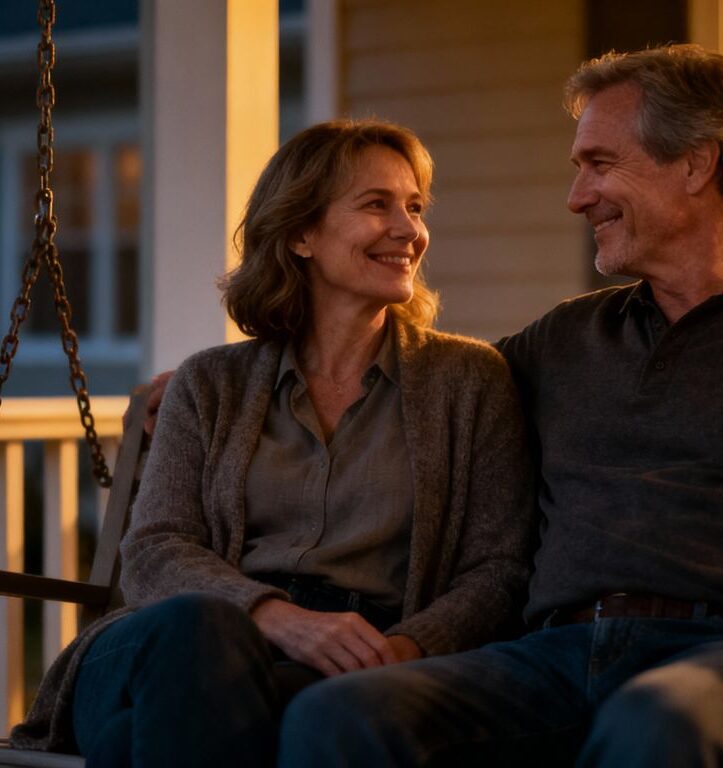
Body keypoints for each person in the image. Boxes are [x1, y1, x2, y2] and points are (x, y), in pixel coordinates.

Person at [276, 45, 723, 767]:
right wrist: (240, 376)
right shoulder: (567, 337)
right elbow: (421, 378)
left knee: (659, 725)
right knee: (344, 716)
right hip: (554, 654)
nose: (577, 197)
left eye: (601, 164)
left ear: (696, 164)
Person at [10, 120, 531, 767]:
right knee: (200, 630)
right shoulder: (212, 381)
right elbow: (153, 548)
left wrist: (405, 649)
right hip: (174, 640)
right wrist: (274, 616)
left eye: (416, 208)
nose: (409, 230)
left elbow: (498, 569)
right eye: (377, 205)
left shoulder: (469, 382)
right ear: (300, 233)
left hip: (348, 659)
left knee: (130, 745)